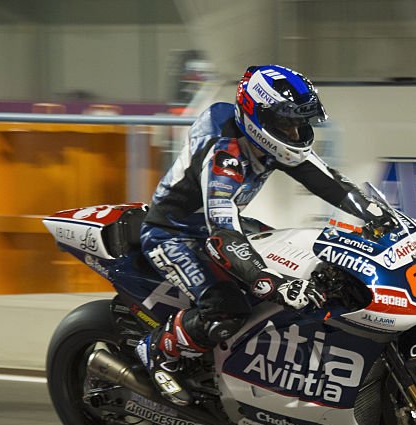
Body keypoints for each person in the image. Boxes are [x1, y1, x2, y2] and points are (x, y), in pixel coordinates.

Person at [138, 64, 396, 405]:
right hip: (175, 232)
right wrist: (266, 279)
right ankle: (159, 353)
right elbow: (222, 234)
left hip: (224, 225)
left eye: (301, 122)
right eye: (287, 122)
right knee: (227, 308)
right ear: (257, 117)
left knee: (303, 264)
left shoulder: (271, 142)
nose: (296, 131)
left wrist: (376, 214)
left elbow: (326, 181)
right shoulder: (225, 155)